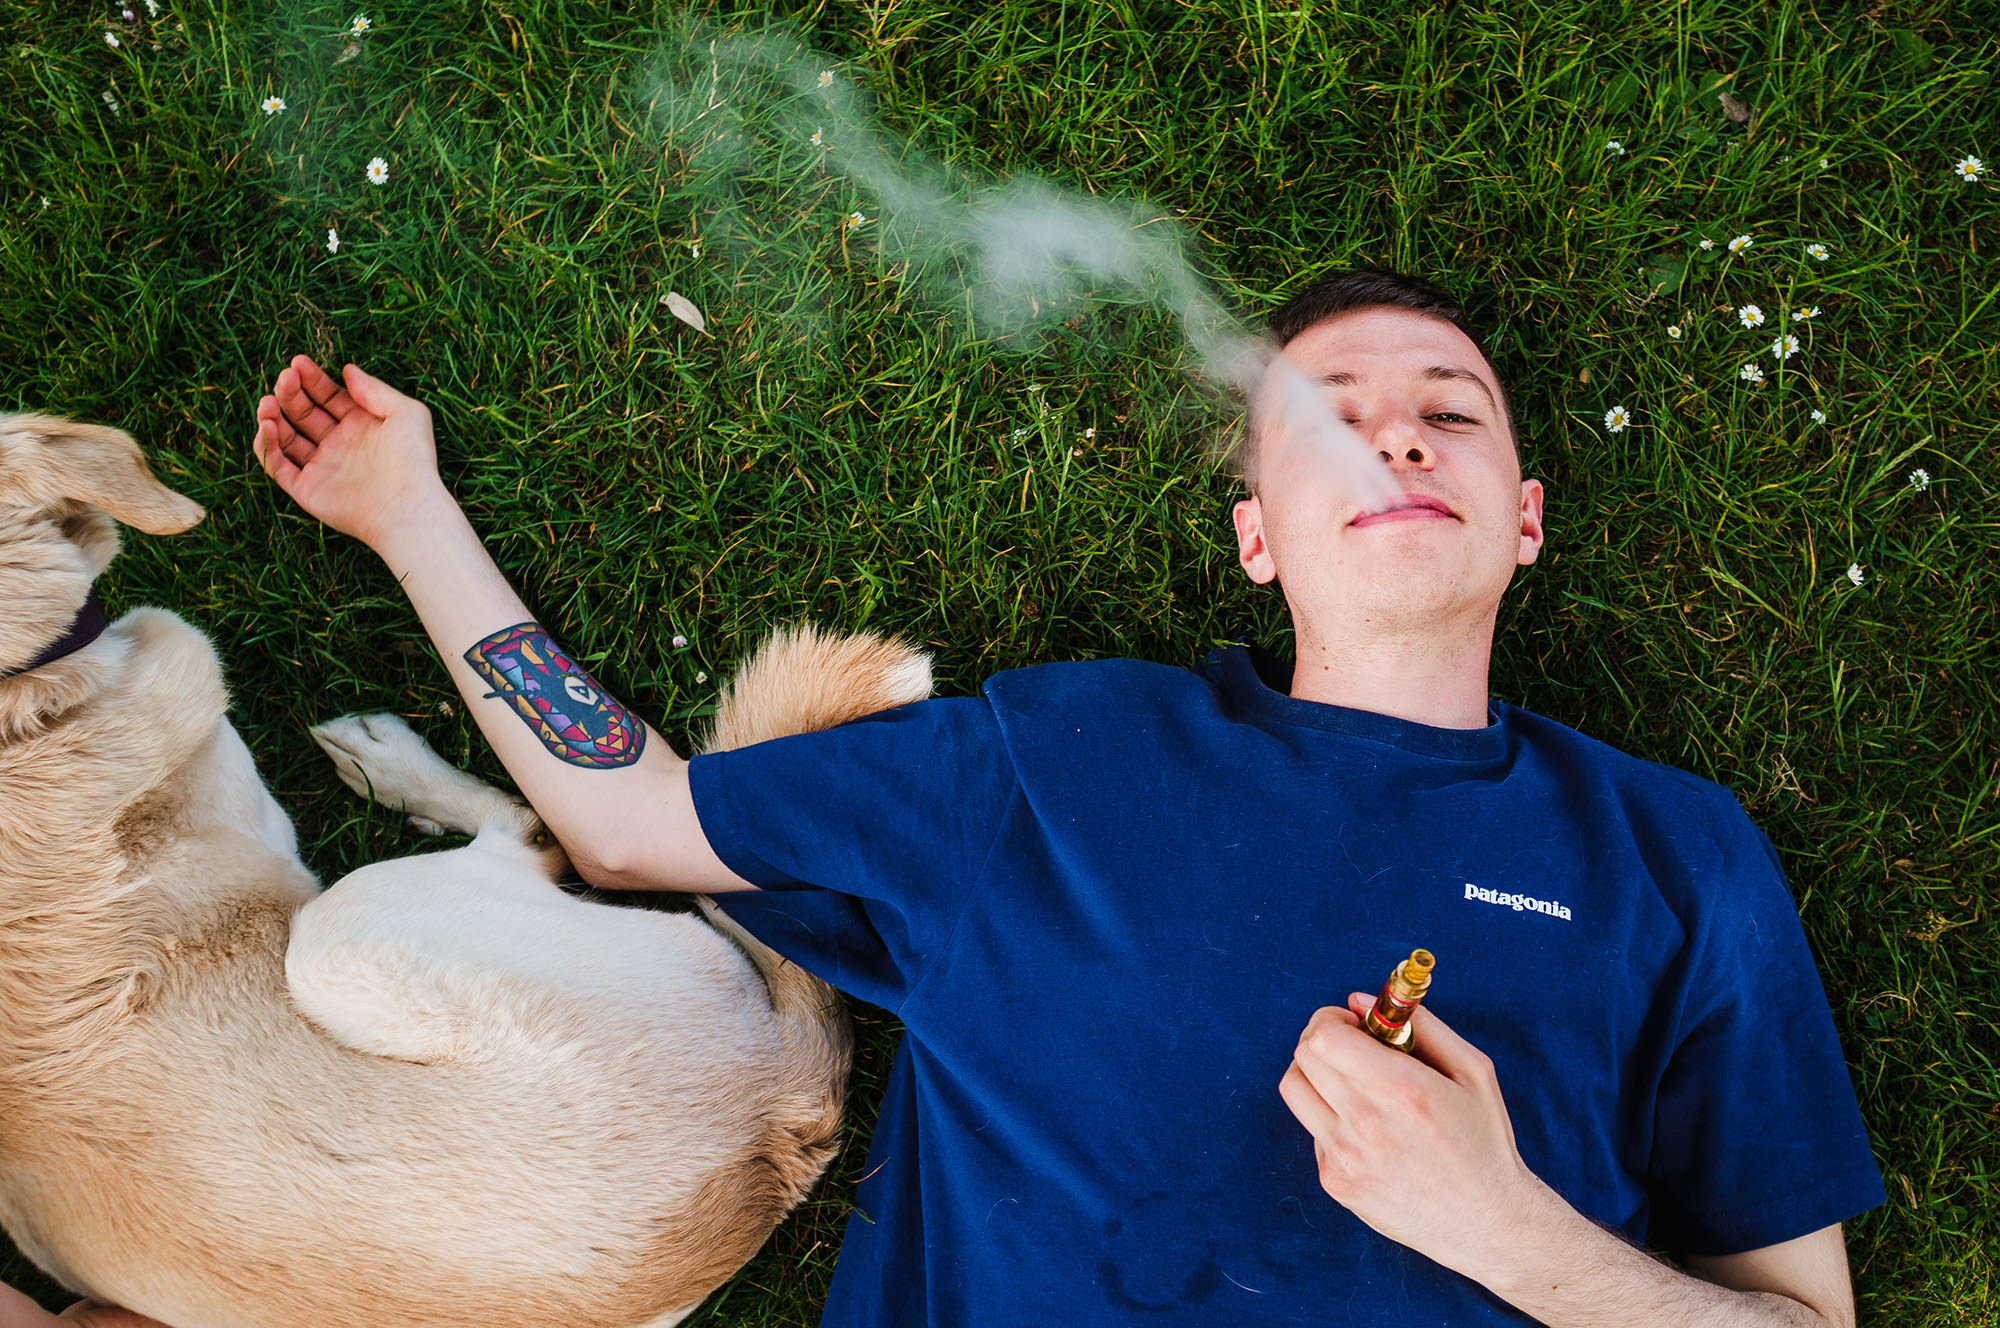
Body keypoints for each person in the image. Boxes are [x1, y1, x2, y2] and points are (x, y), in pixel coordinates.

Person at [0, 269, 1884, 1327]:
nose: (1395, 426)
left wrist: (1505, 1232)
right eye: (1329, 410)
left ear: (1527, 515)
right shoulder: (1060, 756)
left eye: (1453, 407)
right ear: (1254, 533)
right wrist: (410, 518)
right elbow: (643, 827)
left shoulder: (1675, 857)